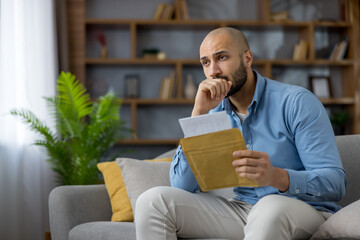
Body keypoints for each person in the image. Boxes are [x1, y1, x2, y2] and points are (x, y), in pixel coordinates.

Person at [135, 27, 346, 240]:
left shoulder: (296, 102)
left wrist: (277, 176)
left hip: (303, 209)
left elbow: (335, 183)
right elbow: (181, 186)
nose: (213, 71)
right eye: (206, 62)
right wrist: (199, 113)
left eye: (222, 57)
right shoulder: (213, 112)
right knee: (152, 201)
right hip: (244, 210)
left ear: (247, 58)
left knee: (270, 208)